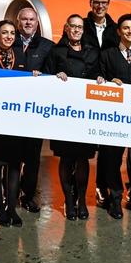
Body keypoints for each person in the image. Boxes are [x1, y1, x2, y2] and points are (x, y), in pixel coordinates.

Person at [97, 14, 131, 220]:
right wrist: (108, 80)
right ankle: (115, 198)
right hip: (116, 117)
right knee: (113, 157)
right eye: (126, 28)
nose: (130, 31)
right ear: (119, 31)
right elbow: (99, 78)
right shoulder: (108, 55)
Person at [45, 14, 100, 221]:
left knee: (83, 158)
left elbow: (99, 74)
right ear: (66, 28)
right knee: (66, 158)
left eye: (79, 27)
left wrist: (100, 78)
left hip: (86, 114)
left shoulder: (94, 52)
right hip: (64, 114)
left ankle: (82, 201)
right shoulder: (56, 51)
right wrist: (54, 77)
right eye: (72, 27)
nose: (76, 30)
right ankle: (68, 200)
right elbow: (46, 77)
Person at [0, 20, 31, 227]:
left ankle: (12, 208)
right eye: (5, 32)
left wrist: (34, 75)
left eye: (12, 33)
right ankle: (0, 209)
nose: (9, 36)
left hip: (15, 121)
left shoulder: (21, 57)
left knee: (14, 165)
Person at [13, 7, 54, 213]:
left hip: (35, 111)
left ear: (37, 23)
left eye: (32, 20)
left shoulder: (47, 46)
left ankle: (28, 195)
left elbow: (53, 73)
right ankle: (9, 196)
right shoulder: (9, 41)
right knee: (11, 156)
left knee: (32, 157)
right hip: (11, 109)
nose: (28, 23)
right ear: (18, 21)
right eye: (24, 19)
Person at [81, 0, 119, 207]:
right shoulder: (82, 26)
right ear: (90, 3)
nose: (100, 6)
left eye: (104, 2)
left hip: (109, 91)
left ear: (108, 4)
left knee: (109, 147)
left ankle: (104, 189)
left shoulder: (115, 29)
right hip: (87, 89)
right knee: (84, 147)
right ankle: (80, 194)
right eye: (96, 2)